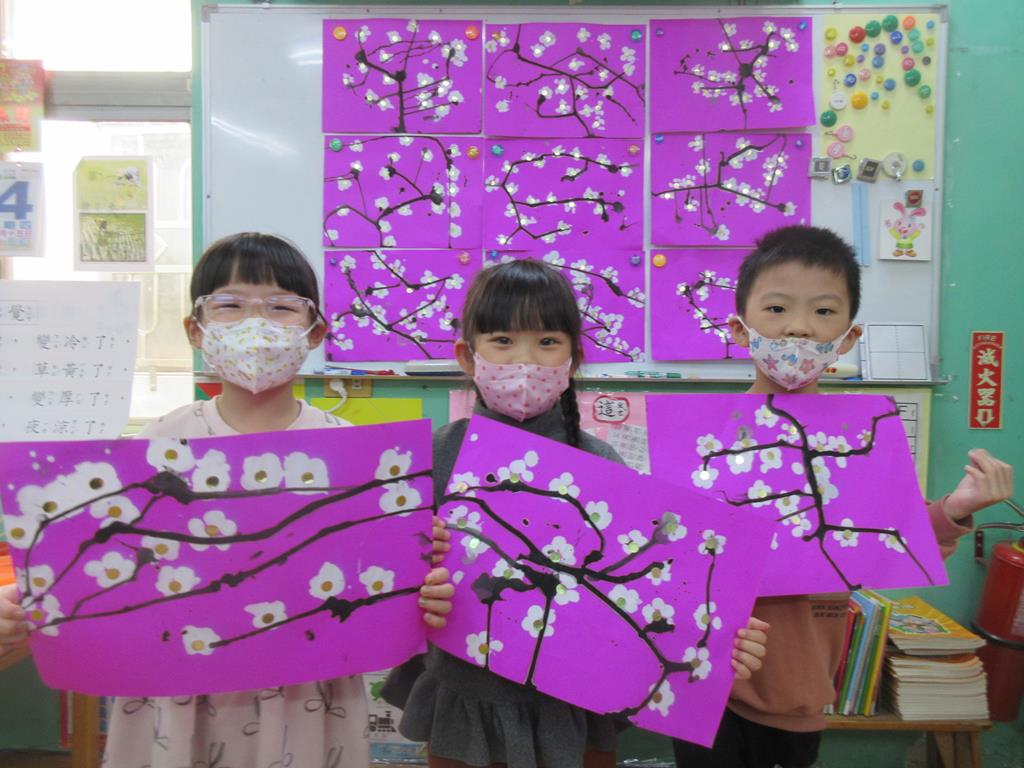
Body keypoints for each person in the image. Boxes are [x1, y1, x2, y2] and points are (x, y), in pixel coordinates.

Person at [0, 232, 454, 768]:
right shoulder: (156, 446)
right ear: (196, 329)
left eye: (282, 307)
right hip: (176, 692)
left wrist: (423, 565)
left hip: (306, 691)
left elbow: (381, 576)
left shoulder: (353, 454)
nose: (255, 325)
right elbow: (105, 562)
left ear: (315, 331)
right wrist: (33, 602)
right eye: (230, 305)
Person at [384, 259, 770, 768]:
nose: (525, 362)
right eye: (502, 340)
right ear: (467, 355)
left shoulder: (601, 464)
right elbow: (387, 590)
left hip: (574, 710)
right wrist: (418, 590)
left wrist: (719, 635)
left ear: (572, 358)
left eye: (547, 342)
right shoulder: (432, 458)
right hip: (467, 705)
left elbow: (645, 586)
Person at [670, 225, 1015, 768]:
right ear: (739, 328)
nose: (799, 327)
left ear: (847, 338)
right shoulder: (697, 439)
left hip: (796, 692)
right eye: (777, 308)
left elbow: (893, 542)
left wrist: (955, 510)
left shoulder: (861, 439)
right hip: (700, 681)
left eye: (824, 312)